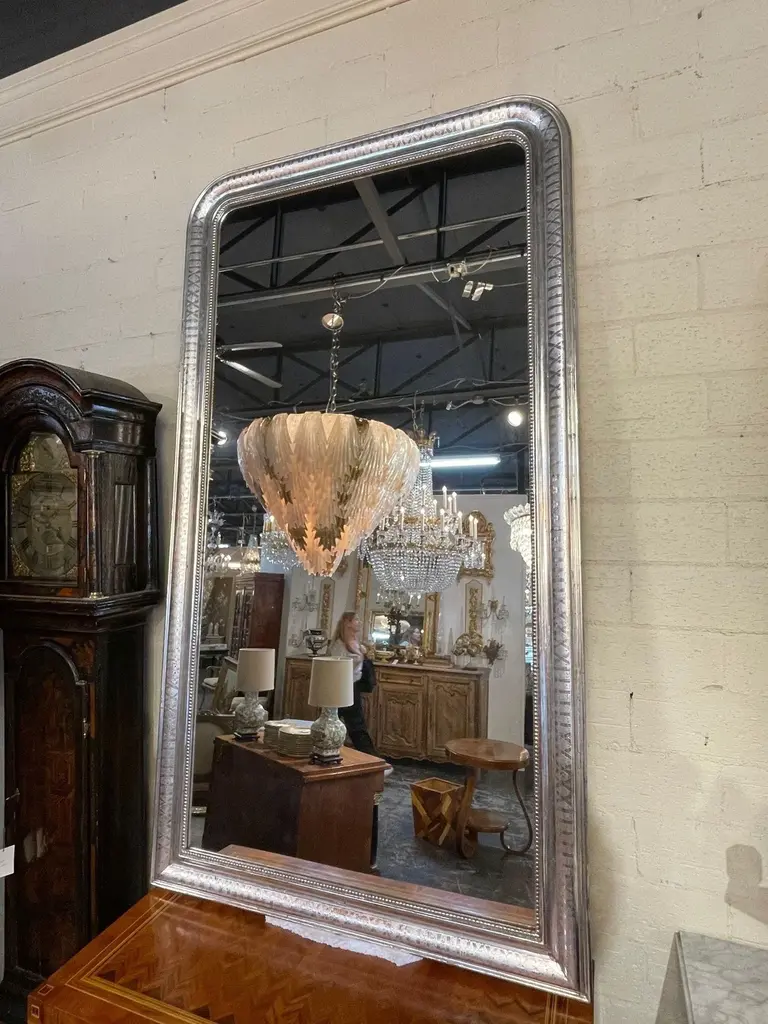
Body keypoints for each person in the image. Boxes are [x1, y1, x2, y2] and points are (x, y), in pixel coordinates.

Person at [329, 611, 392, 776]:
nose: (359, 622)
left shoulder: (355, 642)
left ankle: (372, 763)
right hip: (343, 688)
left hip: (353, 687)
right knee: (354, 727)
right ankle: (374, 764)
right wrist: (359, 657)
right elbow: (339, 668)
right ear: (348, 623)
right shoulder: (339, 645)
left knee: (348, 725)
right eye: (356, 619)